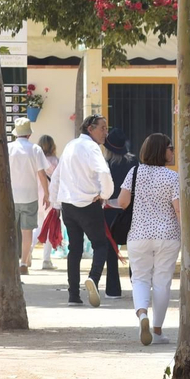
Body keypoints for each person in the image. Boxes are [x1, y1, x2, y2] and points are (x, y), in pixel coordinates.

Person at [116, 132, 180, 345]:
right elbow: (179, 210)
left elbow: (123, 202)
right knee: (162, 282)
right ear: (162, 151)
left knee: (140, 279)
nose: (173, 151)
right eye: (170, 147)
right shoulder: (173, 177)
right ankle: (158, 330)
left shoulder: (134, 172)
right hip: (168, 236)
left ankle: (142, 314)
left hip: (138, 235)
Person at [56, 114, 119, 306]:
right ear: (90, 128)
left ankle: (73, 294)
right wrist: (105, 194)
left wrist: (54, 201)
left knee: (74, 249)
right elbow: (104, 172)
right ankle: (93, 278)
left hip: (68, 204)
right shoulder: (91, 147)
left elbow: (58, 174)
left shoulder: (70, 145)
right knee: (101, 245)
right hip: (88, 204)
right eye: (102, 128)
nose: (105, 133)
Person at [8, 118, 49, 275]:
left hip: (11, 196)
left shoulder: (8, 148)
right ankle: (24, 263)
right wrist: (46, 193)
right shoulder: (35, 149)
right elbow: (42, 174)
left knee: (10, 232)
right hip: (30, 196)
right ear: (29, 134)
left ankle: (10, 263)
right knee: (27, 232)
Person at [101, 128, 137, 292]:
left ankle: (112, 289)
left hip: (109, 210)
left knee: (111, 250)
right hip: (131, 210)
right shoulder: (134, 163)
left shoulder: (104, 165)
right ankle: (137, 285)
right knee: (134, 249)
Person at [35, 134, 61, 269]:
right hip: (50, 197)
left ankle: (25, 256)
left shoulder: (36, 161)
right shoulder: (56, 161)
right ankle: (46, 259)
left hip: (37, 196)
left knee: (38, 226)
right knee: (49, 227)